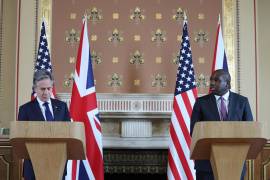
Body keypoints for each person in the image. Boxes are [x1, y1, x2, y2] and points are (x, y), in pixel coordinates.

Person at [190, 69, 253, 180]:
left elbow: (250, 130)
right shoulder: (201, 102)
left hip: (235, 163)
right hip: (206, 165)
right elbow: (194, 131)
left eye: (216, 80)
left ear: (227, 84)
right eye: (211, 80)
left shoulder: (242, 101)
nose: (212, 83)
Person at [18, 70, 70, 180]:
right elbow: (21, 137)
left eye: (49, 88)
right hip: (33, 166)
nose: (46, 92)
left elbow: (68, 132)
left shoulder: (62, 107)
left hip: (58, 164)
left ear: (52, 87)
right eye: (42, 89)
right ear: (35, 89)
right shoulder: (25, 109)